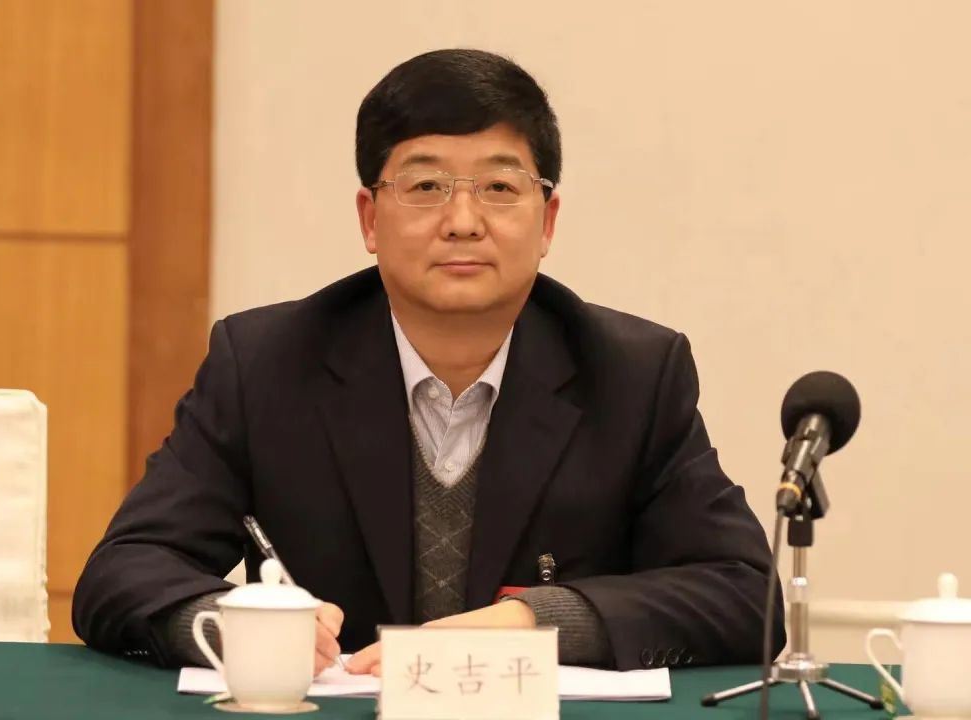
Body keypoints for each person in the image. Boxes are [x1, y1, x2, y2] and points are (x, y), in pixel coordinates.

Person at [73, 48, 784, 675]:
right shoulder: (266, 363)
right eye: (425, 187)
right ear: (369, 219)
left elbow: (746, 595)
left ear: (547, 221)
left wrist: (532, 624)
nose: (463, 221)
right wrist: (235, 622)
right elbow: (124, 571)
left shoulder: (632, 374)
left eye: (499, 188)